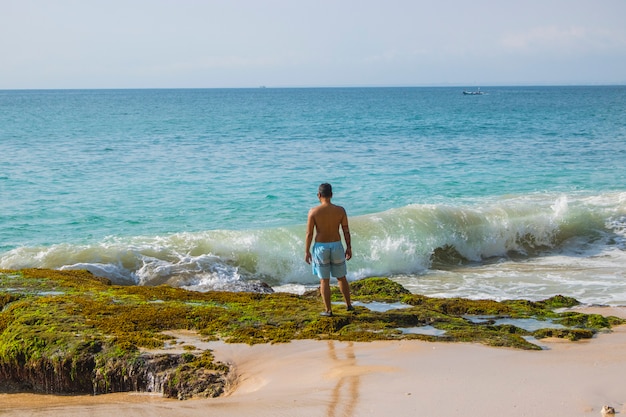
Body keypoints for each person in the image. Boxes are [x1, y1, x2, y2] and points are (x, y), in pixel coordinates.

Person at [305, 183, 353, 316]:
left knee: (324, 280)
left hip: (321, 247)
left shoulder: (313, 212)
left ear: (319, 195)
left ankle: (328, 310)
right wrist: (349, 247)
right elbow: (346, 231)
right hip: (337, 245)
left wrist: (307, 251)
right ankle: (349, 305)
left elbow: (309, 234)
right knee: (341, 277)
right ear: (331, 195)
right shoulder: (340, 211)